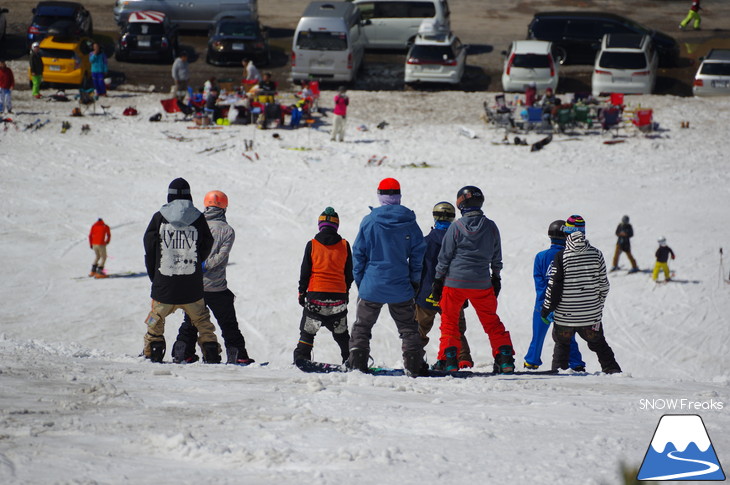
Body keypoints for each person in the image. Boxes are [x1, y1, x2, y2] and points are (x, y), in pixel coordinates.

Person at [430, 186, 516, 374]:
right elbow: (496, 256)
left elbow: (444, 257)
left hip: (454, 283)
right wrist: (496, 277)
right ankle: (504, 356)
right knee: (491, 321)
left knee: (449, 322)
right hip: (481, 283)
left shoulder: (456, 227)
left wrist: (438, 280)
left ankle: (449, 360)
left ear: (461, 203)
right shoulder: (491, 226)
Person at [348, 178, 427, 376]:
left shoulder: (369, 221)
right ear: (399, 195)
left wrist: (362, 282)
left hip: (372, 285)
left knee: (362, 325)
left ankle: (357, 362)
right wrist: (414, 280)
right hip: (400, 285)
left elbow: (358, 254)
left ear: (380, 195)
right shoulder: (410, 222)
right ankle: (414, 364)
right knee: (408, 327)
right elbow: (418, 255)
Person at [142, 178, 221, 363]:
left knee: (156, 319)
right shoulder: (198, 218)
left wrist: (155, 276)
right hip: (191, 287)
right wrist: (195, 264)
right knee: (202, 321)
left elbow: (149, 247)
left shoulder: (159, 217)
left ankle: (153, 347)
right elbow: (207, 244)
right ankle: (210, 349)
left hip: (165, 285)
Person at [172, 190, 254, 364]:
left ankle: (183, 352)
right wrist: (206, 265)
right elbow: (221, 257)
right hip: (216, 286)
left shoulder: (193, 225)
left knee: (191, 321)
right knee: (228, 323)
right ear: (225, 206)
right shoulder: (227, 230)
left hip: (194, 285)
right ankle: (238, 356)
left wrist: (194, 267)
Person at [541, 215, 622, 374]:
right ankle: (613, 372)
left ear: (566, 233)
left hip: (565, 316)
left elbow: (554, 287)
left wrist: (546, 309)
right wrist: (596, 306)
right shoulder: (597, 254)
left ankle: (558, 374)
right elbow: (604, 285)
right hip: (590, 316)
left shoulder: (561, 256)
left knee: (562, 345)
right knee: (599, 345)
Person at [415, 201, 473, 369]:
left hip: (427, 292)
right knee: (455, 328)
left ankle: (415, 357)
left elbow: (418, 268)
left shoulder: (424, 242)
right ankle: (463, 359)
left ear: (434, 217)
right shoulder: (461, 241)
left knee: (420, 328)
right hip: (454, 291)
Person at [294, 207, 353, 364]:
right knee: (341, 334)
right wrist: (345, 293)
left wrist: (301, 293)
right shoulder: (345, 245)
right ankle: (351, 359)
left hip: (316, 298)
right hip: (338, 300)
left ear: (320, 225)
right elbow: (349, 274)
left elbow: (305, 272)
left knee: (308, 332)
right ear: (336, 226)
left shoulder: (312, 245)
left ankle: (302, 358)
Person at [523, 220, 585, 371]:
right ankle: (575, 363)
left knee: (537, 337)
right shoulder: (569, 255)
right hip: (564, 304)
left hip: (542, 304)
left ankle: (531, 361)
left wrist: (543, 303)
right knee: (568, 336)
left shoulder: (540, 257)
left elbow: (540, 284)